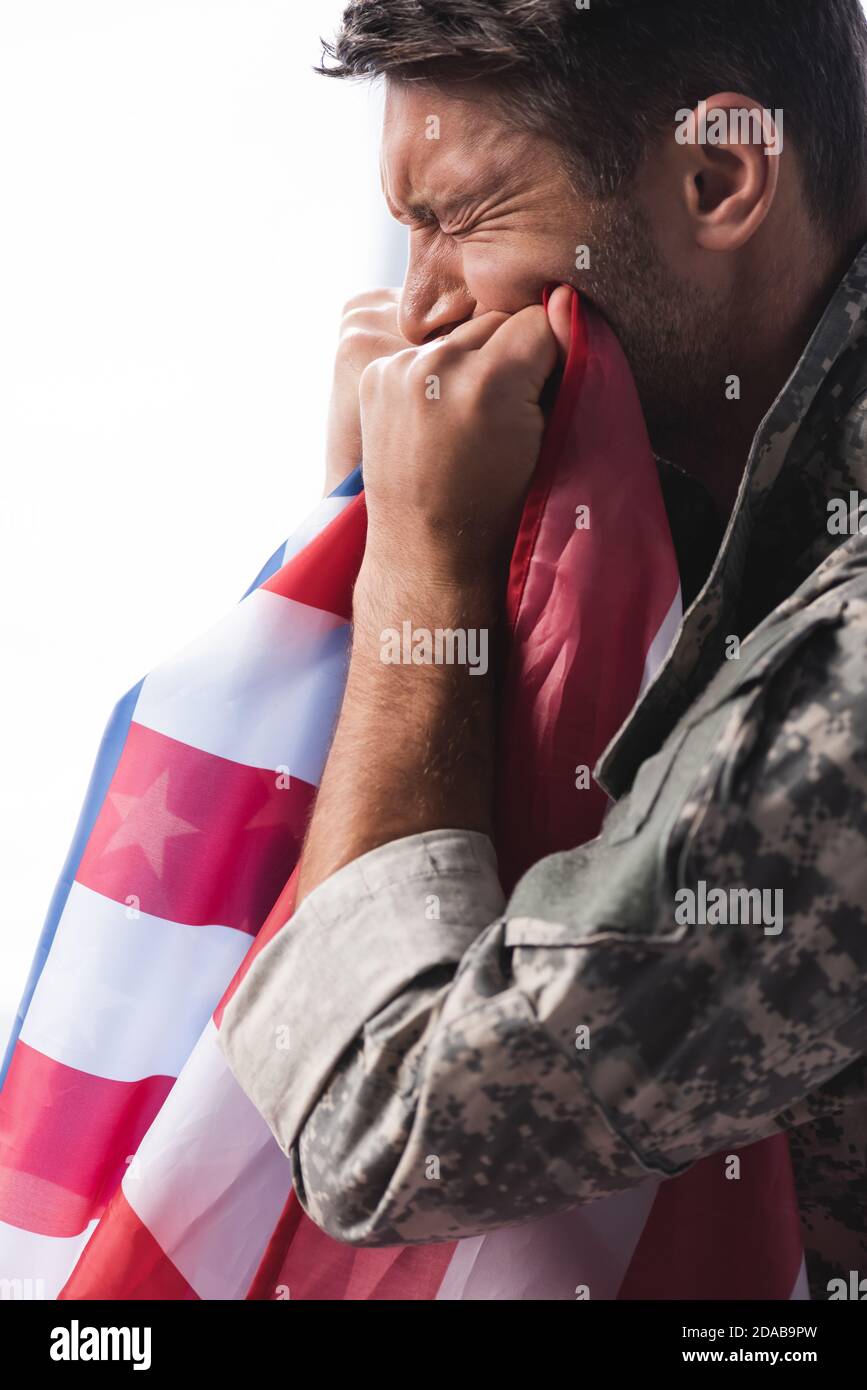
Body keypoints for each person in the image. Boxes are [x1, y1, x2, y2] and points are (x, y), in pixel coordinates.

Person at [220, 0, 867, 1296]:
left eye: (458, 219)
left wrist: (412, 562)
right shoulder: (729, 497)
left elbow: (380, 1121)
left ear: (717, 177)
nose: (417, 313)